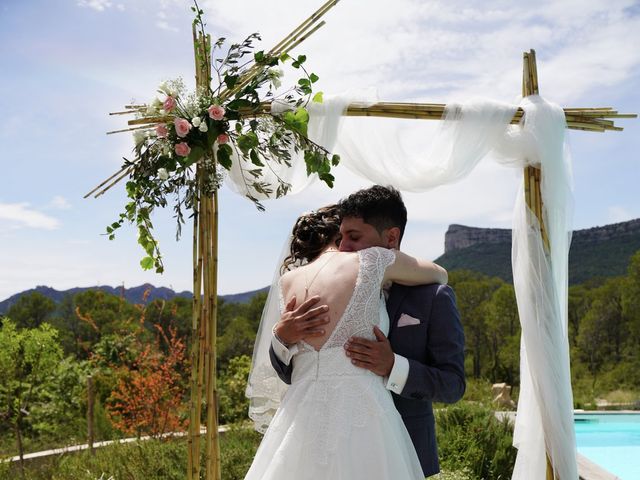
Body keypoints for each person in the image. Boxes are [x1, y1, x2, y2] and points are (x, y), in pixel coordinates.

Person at [269, 185, 466, 478]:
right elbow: (301, 374)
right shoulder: (324, 291)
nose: (343, 247)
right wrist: (282, 338)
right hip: (318, 450)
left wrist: (393, 367)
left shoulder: (432, 297)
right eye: (340, 237)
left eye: (354, 237)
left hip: (398, 455)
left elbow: (453, 384)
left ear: (391, 238)